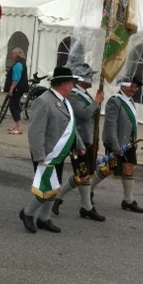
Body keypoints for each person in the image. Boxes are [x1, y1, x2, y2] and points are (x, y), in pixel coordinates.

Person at [19, 66, 85, 234]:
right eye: (71, 83)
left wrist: (80, 145)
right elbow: (35, 131)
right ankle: (27, 213)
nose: (73, 86)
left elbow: (71, 127)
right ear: (62, 84)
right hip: (46, 153)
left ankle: (44, 218)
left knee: (55, 186)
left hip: (59, 152)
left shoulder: (65, 102)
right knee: (46, 187)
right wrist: (39, 155)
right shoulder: (43, 101)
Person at [52, 63, 105, 222]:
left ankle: (82, 205)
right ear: (80, 79)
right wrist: (96, 101)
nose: (92, 79)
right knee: (83, 175)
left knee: (84, 175)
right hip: (77, 140)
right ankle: (84, 206)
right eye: (89, 76)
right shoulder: (73, 96)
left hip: (87, 139)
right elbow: (84, 114)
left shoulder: (83, 94)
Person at [91, 76, 143, 213]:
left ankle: (128, 201)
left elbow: (131, 123)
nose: (134, 89)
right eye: (131, 86)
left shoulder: (130, 101)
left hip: (128, 143)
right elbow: (111, 126)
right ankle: (88, 188)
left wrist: (133, 140)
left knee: (129, 167)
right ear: (122, 85)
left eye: (136, 87)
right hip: (116, 142)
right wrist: (115, 146)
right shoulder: (115, 101)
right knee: (109, 169)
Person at [4, 47, 29, 134]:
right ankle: (17, 126)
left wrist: (11, 89)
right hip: (20, 88)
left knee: (13, 106)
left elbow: (16, 79)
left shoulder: (18, 65)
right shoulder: (22, 63)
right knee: (14, 105)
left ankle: (18, 127)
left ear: (17, 55)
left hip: (17, 89)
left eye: (13, 55)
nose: (12, 56)